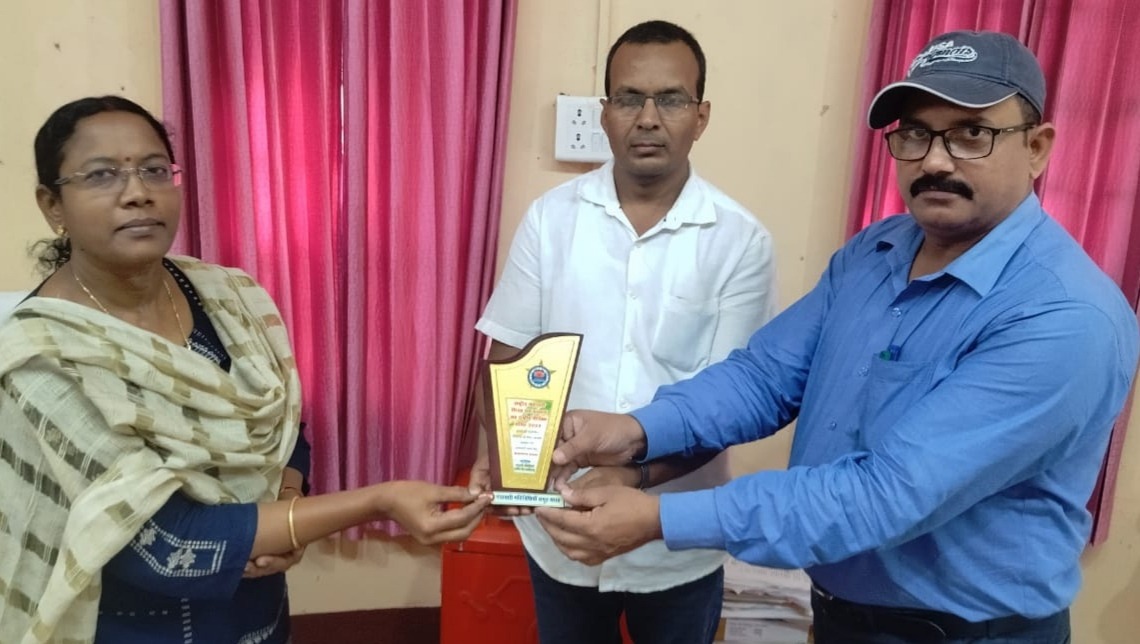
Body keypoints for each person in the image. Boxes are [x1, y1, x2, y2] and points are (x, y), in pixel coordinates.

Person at [534, 30, 1140, 644]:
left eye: (970, 134)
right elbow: (763, 379)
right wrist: (635, 429)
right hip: (839, 616)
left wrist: (661, 517)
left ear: (1037, 148)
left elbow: (886, 494)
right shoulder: (877, 251)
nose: (934, 161)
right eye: (915, 133)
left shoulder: (1064, 317)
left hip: (969, 634)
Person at [0, 96, 491, 644]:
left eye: (155, 170)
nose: (137, 192)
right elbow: (162, 545)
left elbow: (285, 424)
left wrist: (289, 505)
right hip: (130, 627)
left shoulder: (227, 297)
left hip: (259, 615)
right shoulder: (40, 356)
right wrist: (378, 500)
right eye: (101, 175)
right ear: (52, 205)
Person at [469, 19, 776, 644]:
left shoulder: (740, 241)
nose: (648, 118)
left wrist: (632, 478)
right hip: (561, 530)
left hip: (678, 538)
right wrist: (505, 458)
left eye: (671, 99)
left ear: (701, 116)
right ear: (605, 113)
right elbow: (507, 357)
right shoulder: (551, 220)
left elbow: (732, 404)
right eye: (630, 98)